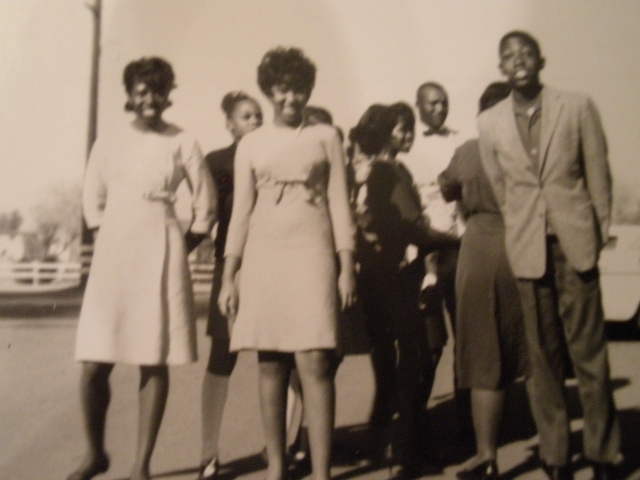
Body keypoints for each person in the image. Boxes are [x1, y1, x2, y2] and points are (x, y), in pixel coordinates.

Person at [478, 31, 620, 480]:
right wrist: (524, 224)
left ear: (541, 60)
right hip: (528, 250)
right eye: (508, 56)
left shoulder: (577, 106)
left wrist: (596, 236)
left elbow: (599, 175)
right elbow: (502, 188)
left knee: (589, 357)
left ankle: (601, 455)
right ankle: (556, 458)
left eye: (525, 53)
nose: (518, 61)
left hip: (574, 246)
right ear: (502, 68)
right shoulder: (490, 122)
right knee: (542, 363)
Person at [68, 57, 216, 480]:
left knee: (154, 359)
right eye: (141, 91)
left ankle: (141, 465)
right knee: (95, 362)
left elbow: (205, 201)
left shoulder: (182, 140)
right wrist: (105, 237)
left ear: (169, 94)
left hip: (162, 248)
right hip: (114, 252)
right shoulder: (109, 140)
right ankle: (95, 453)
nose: (150, 98)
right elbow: (92, 197)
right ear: (130, 96)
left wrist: (186, 240)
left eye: (158, 90)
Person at [218, 47, 356, 480]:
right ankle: (276, 468)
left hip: (312, 250)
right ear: (270, 90)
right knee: (270, 362)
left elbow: (340, 204)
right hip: (264, 253)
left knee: (315, 359)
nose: (291, 98)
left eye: (299, 89)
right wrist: (229, 276)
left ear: (307, 90)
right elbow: (240, 211)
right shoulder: (251, 144)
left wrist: (347, 264)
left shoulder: (327, 137)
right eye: (282, 89)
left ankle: (320, 472)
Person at [350, 104, 457, 479]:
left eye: (411, 128)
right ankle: (407, 457)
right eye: (401, 130)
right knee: (412, 363)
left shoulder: (369, 173)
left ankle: (394, 448)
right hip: (398, 277)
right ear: (384, 136)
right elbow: (413, 226)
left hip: (378, 276)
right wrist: (452, 237)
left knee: (397, 365)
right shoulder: (388, 173)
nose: (408, 135)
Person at [438, 82, 528, 480]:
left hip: (481, 250)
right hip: (526, 246)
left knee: (483, 350)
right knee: (530, 344)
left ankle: (486, 455)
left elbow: (446, 188)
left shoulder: (468, 151)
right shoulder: (530, 149)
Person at [197, 91, 263, 480]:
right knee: (222, 357)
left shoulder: (275, 154)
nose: (255, 121)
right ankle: (208, 453)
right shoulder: (218, 162)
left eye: (258, 115)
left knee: (280, 358)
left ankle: (282, 445)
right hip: (232, 265)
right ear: (230, 123)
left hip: (273, 262)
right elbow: (209, 215)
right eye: (246, 116)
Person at [400, 81, 470, 435]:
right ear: (418, 106)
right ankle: (414, 423)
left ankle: (466, 423)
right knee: (429, 342)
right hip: (423, 249)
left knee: (467, 335)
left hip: (459, 245)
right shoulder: (405, 148)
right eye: (432, 103)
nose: (440, 108)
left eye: (444, 102)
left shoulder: (461, 140)